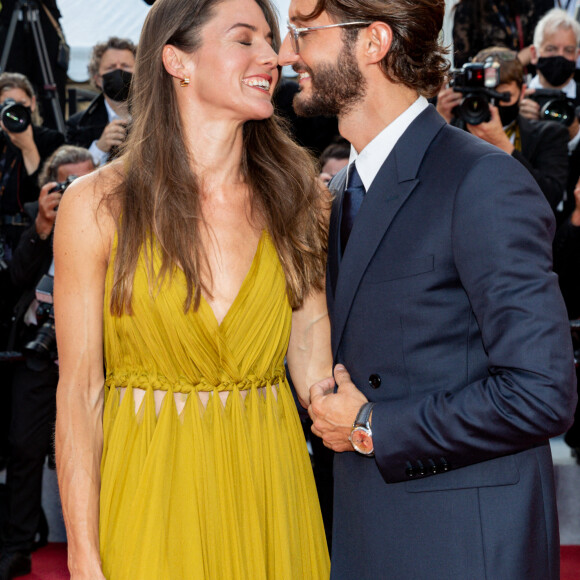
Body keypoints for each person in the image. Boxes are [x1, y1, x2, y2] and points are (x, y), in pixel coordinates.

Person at [278, 0, 577, 577]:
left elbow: (542, 392)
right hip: (370, 532)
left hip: (466, 544)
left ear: (373, 41)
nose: (289, 53)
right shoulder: (338, 193)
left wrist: (373, 428)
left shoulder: (483, 181)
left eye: (304, 32)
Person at [54, 0, 331, 578]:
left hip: (269, 490)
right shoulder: (98, 205)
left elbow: (312, 359)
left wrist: (391, 421)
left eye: (271, 40)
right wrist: (83, 555)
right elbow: (80, 396)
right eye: (245, 39)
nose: (274, 56)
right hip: (149, 493)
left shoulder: (299, 195)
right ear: (177, 61)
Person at [0, 145, 94, 580]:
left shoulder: (114, 218)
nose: (78, 192)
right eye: (67, 184)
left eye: (86, 181)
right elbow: (16, 278)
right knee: (23, 447)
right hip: (38, 354)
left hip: (96, 355)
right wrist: (42, 228)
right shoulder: (40, 218)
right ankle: (18, 545)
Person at [436, 46, 569, 212]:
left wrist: (501, 143)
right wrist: (440, 127)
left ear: (522, 92)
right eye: (486, 94)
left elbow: (550, 198)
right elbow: (431, 189)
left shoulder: (550, 134)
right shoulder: (451, 128)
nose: (493, 104)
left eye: (504, 96)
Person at [65, 37, 136, 167]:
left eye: (125, 66)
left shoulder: (158, 115)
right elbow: (72, 176)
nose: (118, 72)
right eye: (111, 67)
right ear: (97, 79)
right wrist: (100, 148)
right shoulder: (78, 125)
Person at [452, 0, 537, 67]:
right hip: (486, 82)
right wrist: (517, 61)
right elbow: (461, 62)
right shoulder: (468, 8)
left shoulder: (525, 5)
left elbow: (538, 46)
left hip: (522, 80)